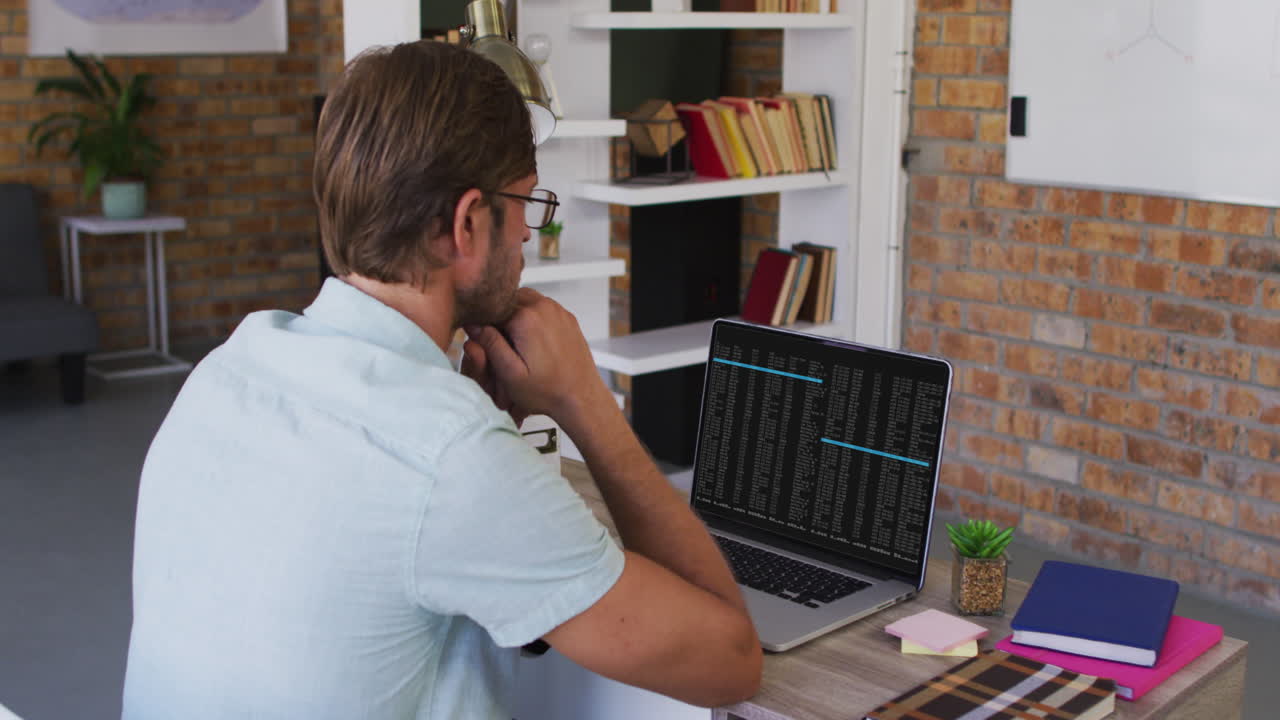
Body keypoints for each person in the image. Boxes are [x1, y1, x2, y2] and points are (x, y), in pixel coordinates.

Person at [121, 40, 761, 719]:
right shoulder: (450, 456)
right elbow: (730, 662)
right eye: (523, 203)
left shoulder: (227, 369)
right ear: (464, 224)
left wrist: (483, 434)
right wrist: (585, 402)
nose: (525, 236)